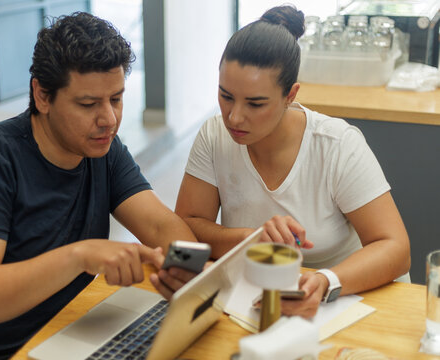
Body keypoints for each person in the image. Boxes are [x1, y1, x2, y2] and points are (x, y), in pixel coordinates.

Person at [0, 12, 197, 359]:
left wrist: (189, 268)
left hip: (50, 337)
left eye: (116, 98)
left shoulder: (103, 151)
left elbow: (160, 224)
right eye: (88, 104)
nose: (110, 119)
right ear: (41, 95)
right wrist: (80, 256)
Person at [175, 5, 410, 318]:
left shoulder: (336, 144)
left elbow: (395, 248)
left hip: (345, 302)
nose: (234, 117)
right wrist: (248, 239)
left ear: (290, 95)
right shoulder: (214, 136)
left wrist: (325, 281)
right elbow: (185, 229)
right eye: (225, 96)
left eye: (256, 103)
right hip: (258, 300)